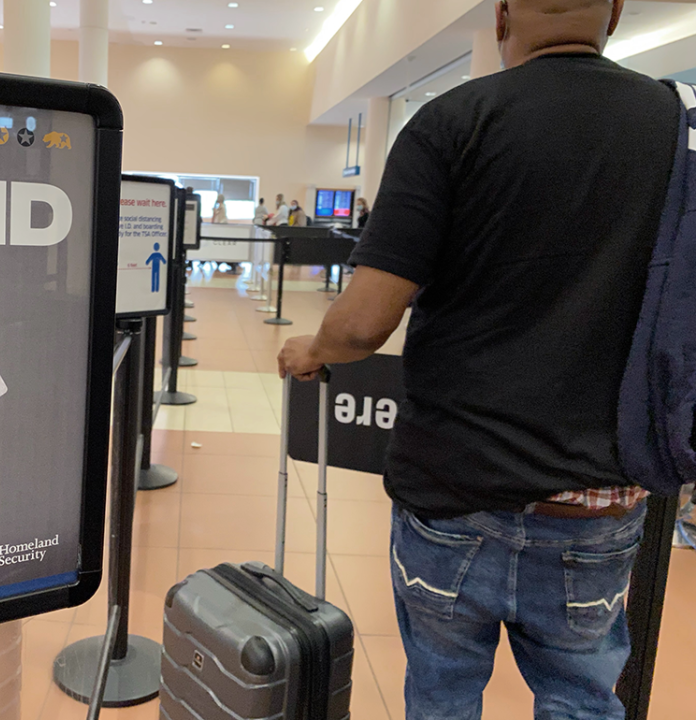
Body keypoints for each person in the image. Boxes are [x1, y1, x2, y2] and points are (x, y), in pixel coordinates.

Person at [278, 1, 677, 717]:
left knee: (442, 693)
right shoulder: (678, 127)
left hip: (455, 487)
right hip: (598, 498)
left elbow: (364, 322)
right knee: (583, 701)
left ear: (499, 17)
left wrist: (312, 350)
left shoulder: (451, 122)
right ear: (615, 12)